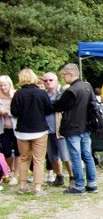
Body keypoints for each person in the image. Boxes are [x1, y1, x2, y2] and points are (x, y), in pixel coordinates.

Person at [52, 63, 97, 194]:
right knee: (87, 156)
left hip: (73, 127)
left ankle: (79, 185)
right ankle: (92, 183)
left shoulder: (71, 90)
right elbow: (93, 105)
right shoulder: (87, 87)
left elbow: (58, 106)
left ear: (70, 74)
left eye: (63, 75)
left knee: (76, 157)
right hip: (86, 126)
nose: (63, 77)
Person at [10, 68, 52, 196]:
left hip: (22, 131)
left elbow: (14, 112)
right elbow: (49, 110)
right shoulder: (42, 93)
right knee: (39, 160)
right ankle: (37, 188)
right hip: (39, 130)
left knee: (24, 158)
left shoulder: (18, 94)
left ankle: (22, 186)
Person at [0, 74, 18, 185]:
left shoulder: (16, 95)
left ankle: (16, 174)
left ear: (9, 84)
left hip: (16, 127)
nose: (2, 87)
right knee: (6, 151)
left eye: (4, 85)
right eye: (0, 85)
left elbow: (19, 110)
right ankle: (10, 170)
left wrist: (7, 112)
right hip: (3, 128)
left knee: (18, 152)